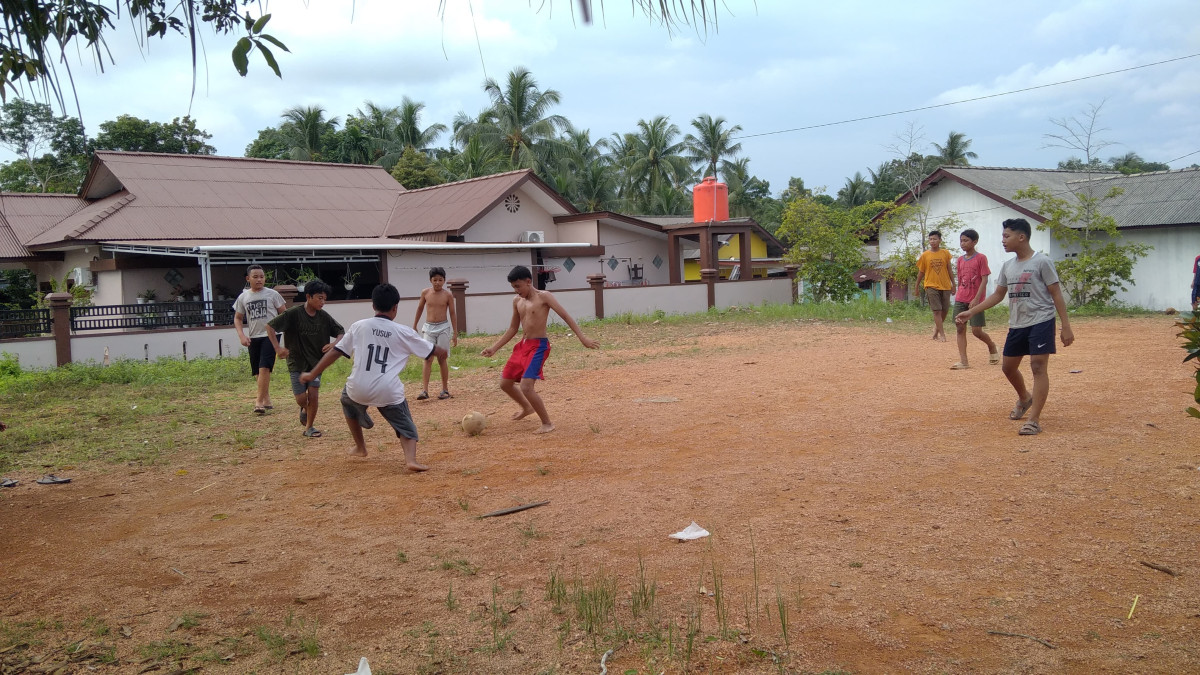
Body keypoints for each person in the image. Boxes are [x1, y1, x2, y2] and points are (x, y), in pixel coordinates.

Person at [301, 284, 446, 469]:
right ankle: (411, 460)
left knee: (347, 400)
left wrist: (313, 373)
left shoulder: (359, 326)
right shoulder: (403, 331)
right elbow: (432, 350)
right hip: (388, 391)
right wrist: (441, 352)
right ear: (395, 308)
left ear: (373, 306)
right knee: (405, 424)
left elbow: (335, 352)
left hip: (357, 388)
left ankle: (360, 446)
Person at [956, 218, 1074, 435]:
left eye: (1006, 236)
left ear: (1021, 237)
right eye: (1002, 236)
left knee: (1038, 367)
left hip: (1041, 320)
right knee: (1008, 368)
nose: (1003, 240)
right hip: (1018, 323)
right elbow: (998, 294)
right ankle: (1024, 397)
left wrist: (1065, 325)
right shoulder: (1008, 266)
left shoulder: (1042, 262)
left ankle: (1034, 419)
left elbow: (1056, 293)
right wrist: (972, 311)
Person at [481, 265, 599, 434]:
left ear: (528, 282)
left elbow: (566, 316)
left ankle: (547, 423)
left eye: (518, 286)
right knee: (505, 384)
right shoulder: (517, 301)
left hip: (539, 347)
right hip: (523, 346)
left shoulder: (544, 297)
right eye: (513, 287)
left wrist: (583, 338)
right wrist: (494, 348)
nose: (516, 290)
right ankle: (527, 407)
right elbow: (513, 329)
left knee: (526, 387)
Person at [267, 280, 344, 438]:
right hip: (296, 362)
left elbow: (340, 331)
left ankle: (309, 427)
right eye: (319, 298)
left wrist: (334, 343)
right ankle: (304, 409)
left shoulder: (323, 317)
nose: (323, 302)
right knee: (302, 398)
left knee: (314, 395)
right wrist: (278, 348)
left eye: (325, 298)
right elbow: (270, 326)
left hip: (316, 363)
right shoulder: (293, 313)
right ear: (308, 297)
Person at [233, 264, 287, 414]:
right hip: (254, 336)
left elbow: (284, 313)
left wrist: (282, 330)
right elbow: (238, 318)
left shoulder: (272, 294)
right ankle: (266, 398)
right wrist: (241, 336)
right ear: (248, 278)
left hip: (270, 335)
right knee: (257, 370)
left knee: (265, 367)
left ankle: (258, 402)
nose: (259, 280)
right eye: (255, 277)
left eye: (262, 277)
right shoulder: (243, 297)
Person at [950, 229, 1000, 369]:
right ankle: (964, 361)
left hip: (976, 300)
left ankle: (992, 346)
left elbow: (984, 279)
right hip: (961, 298)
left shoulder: (981, 258)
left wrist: (977, 299)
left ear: (975, 242)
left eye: (966, 240)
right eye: (961, 241)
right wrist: (957, 294)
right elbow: (960, 279)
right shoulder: (960, 260)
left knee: (976, 331)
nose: (963, 243)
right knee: (960, 327)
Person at [412, 266, 458, 401]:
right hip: (428, 328)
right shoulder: (425, 293)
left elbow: (453, 313)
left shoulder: (448, 295)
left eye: (440, 280)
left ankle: (445, 389)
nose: (437, 282)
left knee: (442, 358)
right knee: (428, 358)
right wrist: (414, 325)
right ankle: (424, 390)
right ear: (430, 280)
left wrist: (455, 333)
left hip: (443, 327)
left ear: (444, 281)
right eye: (435, 280)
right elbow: (420, 308)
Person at [916, 230, 955, 342]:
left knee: (945, 310)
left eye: (935, 239)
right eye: (930, 239)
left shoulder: (945, 253)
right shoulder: (925, 255)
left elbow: (949, 269)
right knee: (937, 311)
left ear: (940, 240)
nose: (932, 241)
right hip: (930, 285)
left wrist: (954, 284)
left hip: (945, 285)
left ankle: (936, 331)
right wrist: (917, 286)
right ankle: (942, 334)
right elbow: (921, 272)